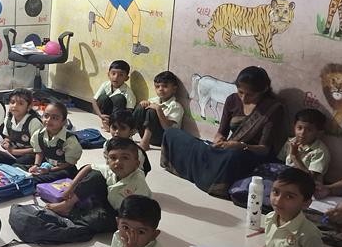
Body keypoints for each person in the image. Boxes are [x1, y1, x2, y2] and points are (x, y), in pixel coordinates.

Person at [161, 66, 286, 198]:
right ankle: (208, 169)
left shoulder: (272, 109)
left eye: (250, 95)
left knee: (232, 156)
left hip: (249, 155)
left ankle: (212, 179)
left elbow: (264, 149)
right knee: (172, 134)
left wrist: (241, 146)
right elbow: (222, 132)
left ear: (264, 90)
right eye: (240, 92)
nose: (244, 98)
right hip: (228, 149)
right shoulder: (232, 100)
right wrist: (218, 139)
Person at [47, 137, 150, 217]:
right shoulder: (110, 170)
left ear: (136, 164)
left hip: (121, 214)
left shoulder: (138, 183)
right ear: (107, 161)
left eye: (125, 158)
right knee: (95, 175)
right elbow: (88, 167)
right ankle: (68, 205)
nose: (118, 162)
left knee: (98, 219)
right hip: (107, 200)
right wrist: (71, 188)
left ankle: (76, 216)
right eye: (113, 158)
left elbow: (140, 211)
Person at [257, 168, 327, 247]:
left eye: (289, 196)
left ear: (306, 203)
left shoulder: (308, 233)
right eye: (276, 192)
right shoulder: (270, 218)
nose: (278, 200)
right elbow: (270, 245)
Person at [27, 101, 82, 183]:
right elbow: (39, 152)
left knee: (37, 179)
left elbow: (69, 163)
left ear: (64, 122)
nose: (48, 120)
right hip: (47, 163)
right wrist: (36, 165)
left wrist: (49, 170)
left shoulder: (69, 140)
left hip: (63, 168)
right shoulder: (38, 134)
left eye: (55, 118)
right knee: (21, 164)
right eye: (46, 116)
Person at [0, 88, 43, 166]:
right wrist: (3, 143)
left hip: (29, 155)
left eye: (20, 103)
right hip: (13, 151)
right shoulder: (9, 118)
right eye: (12, 102)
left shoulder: (34, 122)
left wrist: (13, 151)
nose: (15, 106)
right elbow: (8, 137)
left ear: (29, 106)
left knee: (19, 163)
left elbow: (37, 149)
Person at [278, 109, 330, 184]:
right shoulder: (290, 142)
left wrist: (295, 157)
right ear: (294, 127)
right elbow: (280, 163)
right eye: (299, 128)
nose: (302, 133)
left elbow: (311, 178)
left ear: (319, 133)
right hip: (286, 181)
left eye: (309, 130)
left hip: (304, 185)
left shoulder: (319, 152)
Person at [134, 70, 183, 150]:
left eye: (165, 86)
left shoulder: (176, 106)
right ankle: (127, 132)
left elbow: (167, 128)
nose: (160, 89)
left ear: (174, 89)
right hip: (148, 134)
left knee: (152, 111)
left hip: (163, 139)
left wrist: (158, 109)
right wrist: (143, 103)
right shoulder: (154, 100)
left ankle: (145, 142)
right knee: (141, 106)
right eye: (157, 87)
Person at [92, 60, 137, 130]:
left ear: (126, 78)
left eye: (121, 75)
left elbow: (129, 111)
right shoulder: (105, 85)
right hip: (105, 114)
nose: (116, 77)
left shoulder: (128, 92)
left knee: (119, 98)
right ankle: (105, 122)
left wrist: (120, 123)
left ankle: (114, 125)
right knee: (103, 97)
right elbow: (94, 100)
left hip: (118, 117)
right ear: (108, 74)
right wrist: (100, 115)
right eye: (113, 73)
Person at [107, 110, 152, 175]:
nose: (117, 131)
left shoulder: (136, 151)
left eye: (123, 128)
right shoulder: (107, 144)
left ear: (132, 131)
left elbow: (139, 173)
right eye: (114, 127)